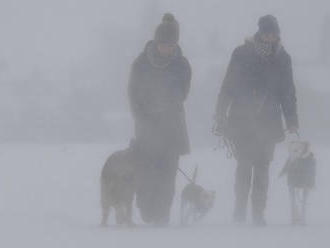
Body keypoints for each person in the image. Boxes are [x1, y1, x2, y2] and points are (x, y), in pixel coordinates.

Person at [214, 15, 299, 226]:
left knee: (262, 168)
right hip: (242, 119)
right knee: (244, 166)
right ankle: (240, 211)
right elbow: (228, 86)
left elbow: (288, 93)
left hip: (269, 122)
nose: (271, 37)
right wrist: (220, 114)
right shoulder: (242, 54)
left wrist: (292, 122)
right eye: (267, 33)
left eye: (274, 33)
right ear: (260, 33)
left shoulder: (283, 58)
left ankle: (258, 213)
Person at [128, 13, 191, 225]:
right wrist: (144, 115)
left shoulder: (182, 64)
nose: (167, 48)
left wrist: (165, 107)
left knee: (167, 176)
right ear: (156, 42)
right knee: (146, 174)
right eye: (163, 44)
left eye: (171, 44)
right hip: (146, 129)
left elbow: (182, 93)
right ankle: (147, 212)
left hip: (172, 129)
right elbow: (133, 93)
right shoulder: (141, 63)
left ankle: (162, 216)